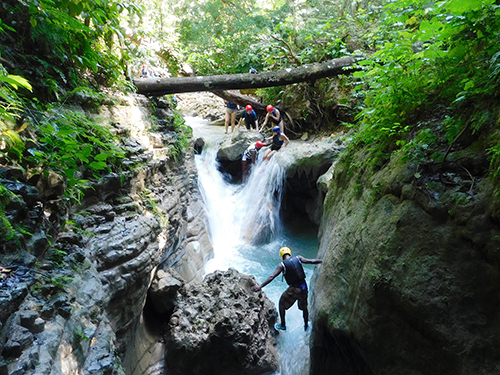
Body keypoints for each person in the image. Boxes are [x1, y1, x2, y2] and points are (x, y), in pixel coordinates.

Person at [251, 246, 323, 331]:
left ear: (281, 256)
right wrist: (322, 261)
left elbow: (272, 276)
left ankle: (283, 325)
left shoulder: (282, 265)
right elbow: (311, 261)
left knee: (281, 303)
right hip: (304, 287)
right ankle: (306, 325)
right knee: (304, 308)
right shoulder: (298, 258)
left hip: (294, 288)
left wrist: (260, 286)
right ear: (290, 253)